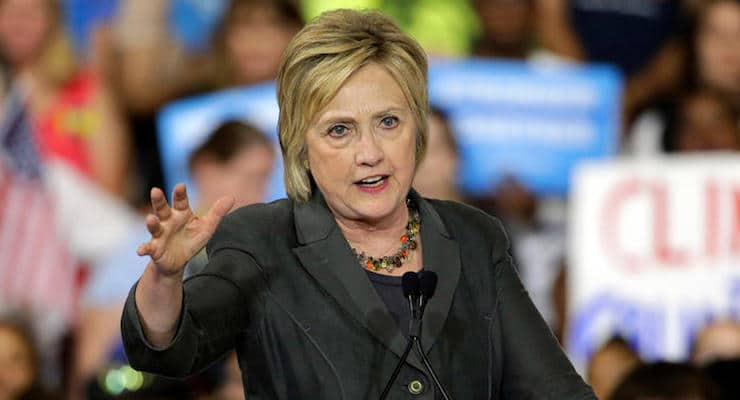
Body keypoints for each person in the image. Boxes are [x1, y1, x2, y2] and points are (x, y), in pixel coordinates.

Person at [121, 9, 596, 399]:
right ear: (300, 146)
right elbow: (169, 347)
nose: (370, 152)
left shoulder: (474, 236)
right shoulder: (261, 241)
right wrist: (166, 278)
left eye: (388, 122)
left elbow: (554, 390)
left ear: (418, 128)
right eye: (340, 130)